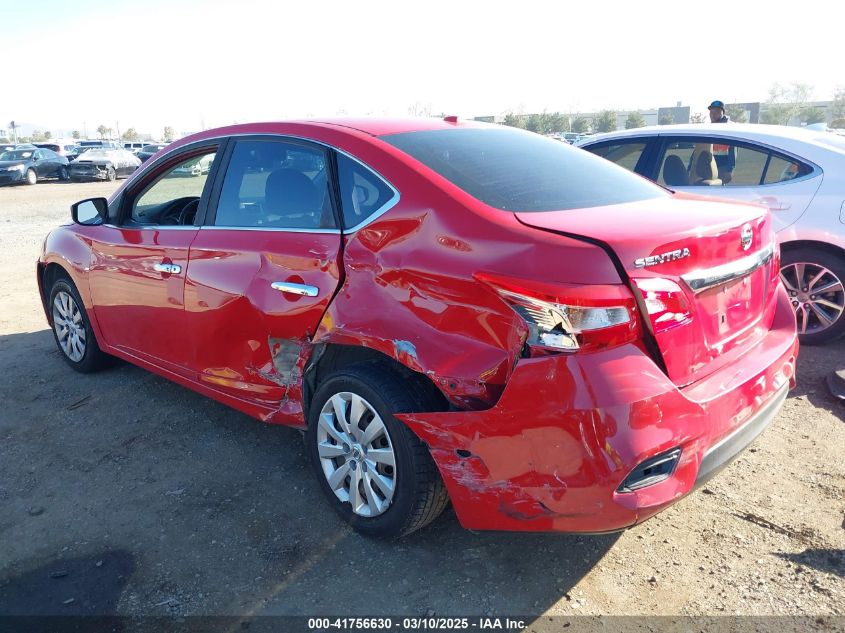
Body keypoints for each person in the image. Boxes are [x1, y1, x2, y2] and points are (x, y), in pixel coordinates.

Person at [708, 100, 735, 183]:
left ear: (722, 113)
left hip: (723, 167)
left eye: (716, 112)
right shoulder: (710, 127)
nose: (713, 114)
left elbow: (733, 151)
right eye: (711, 112)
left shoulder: (728, 128)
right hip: (710, 166)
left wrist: (729, 170)